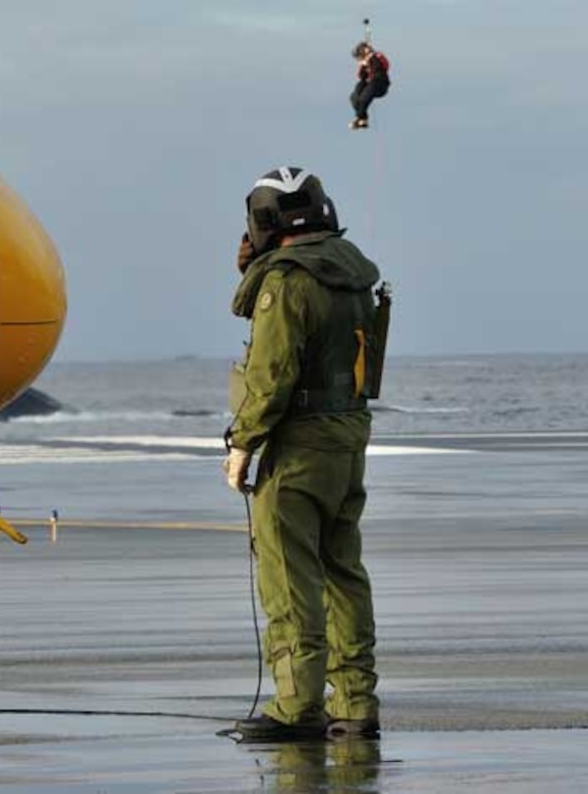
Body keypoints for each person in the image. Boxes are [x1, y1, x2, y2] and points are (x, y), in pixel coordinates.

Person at [224, 167, 382, 743]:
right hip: (347, 435)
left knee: (290, 576)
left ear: (268, 221)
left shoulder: (286, 283)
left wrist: (242, 443)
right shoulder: (350, 274)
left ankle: (296, 706)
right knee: (343, 571)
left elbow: (271, 375)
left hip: (297, 445)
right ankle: (357, 704)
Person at [349, 41, 390, 130]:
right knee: (354, 97)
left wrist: (371, 58)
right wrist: (363, 66)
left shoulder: (377, 56)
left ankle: (359, 117)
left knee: (364, 98)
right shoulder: (364, 62)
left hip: (380, 83)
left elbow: (383, 67)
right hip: (369, 83)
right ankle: (363, 119)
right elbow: (362, 76)